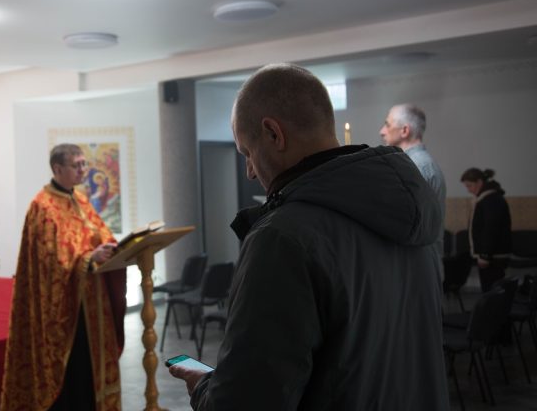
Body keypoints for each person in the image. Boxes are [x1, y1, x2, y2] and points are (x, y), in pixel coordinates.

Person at [170, 64, 448, 409]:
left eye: (247, 153)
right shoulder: (411, 212)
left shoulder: (283, 238)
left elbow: (247, 402)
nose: (250, 171)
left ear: (273, 134)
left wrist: (203, 388)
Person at [0, 143, 126, 411]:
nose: (83, 170)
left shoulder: (80, 199)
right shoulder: (43, 207)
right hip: (65, 309)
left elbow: (100, 233)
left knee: (90, 368)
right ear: (57, 168)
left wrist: (114, 247)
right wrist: (87, 259)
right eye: (76, 165)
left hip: (93, 303)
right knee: (73, 371)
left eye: (83, 163)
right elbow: (50, 262)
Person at [380, 103, 447, 274]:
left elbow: (406, 226)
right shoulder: (416, 164)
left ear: (404, 131)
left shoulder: (415, 167)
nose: (382, 131)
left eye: (387, 124)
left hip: (417, 269)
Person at [460, 167, 512, 292]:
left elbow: (491, 229)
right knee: (491, 291)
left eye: (469, 185)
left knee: (492, 292)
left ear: (479, 182)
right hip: (492, 255)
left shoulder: (491, 200)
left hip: (493, 256)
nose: (469, 190)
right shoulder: (488, 198)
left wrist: (485, 256)